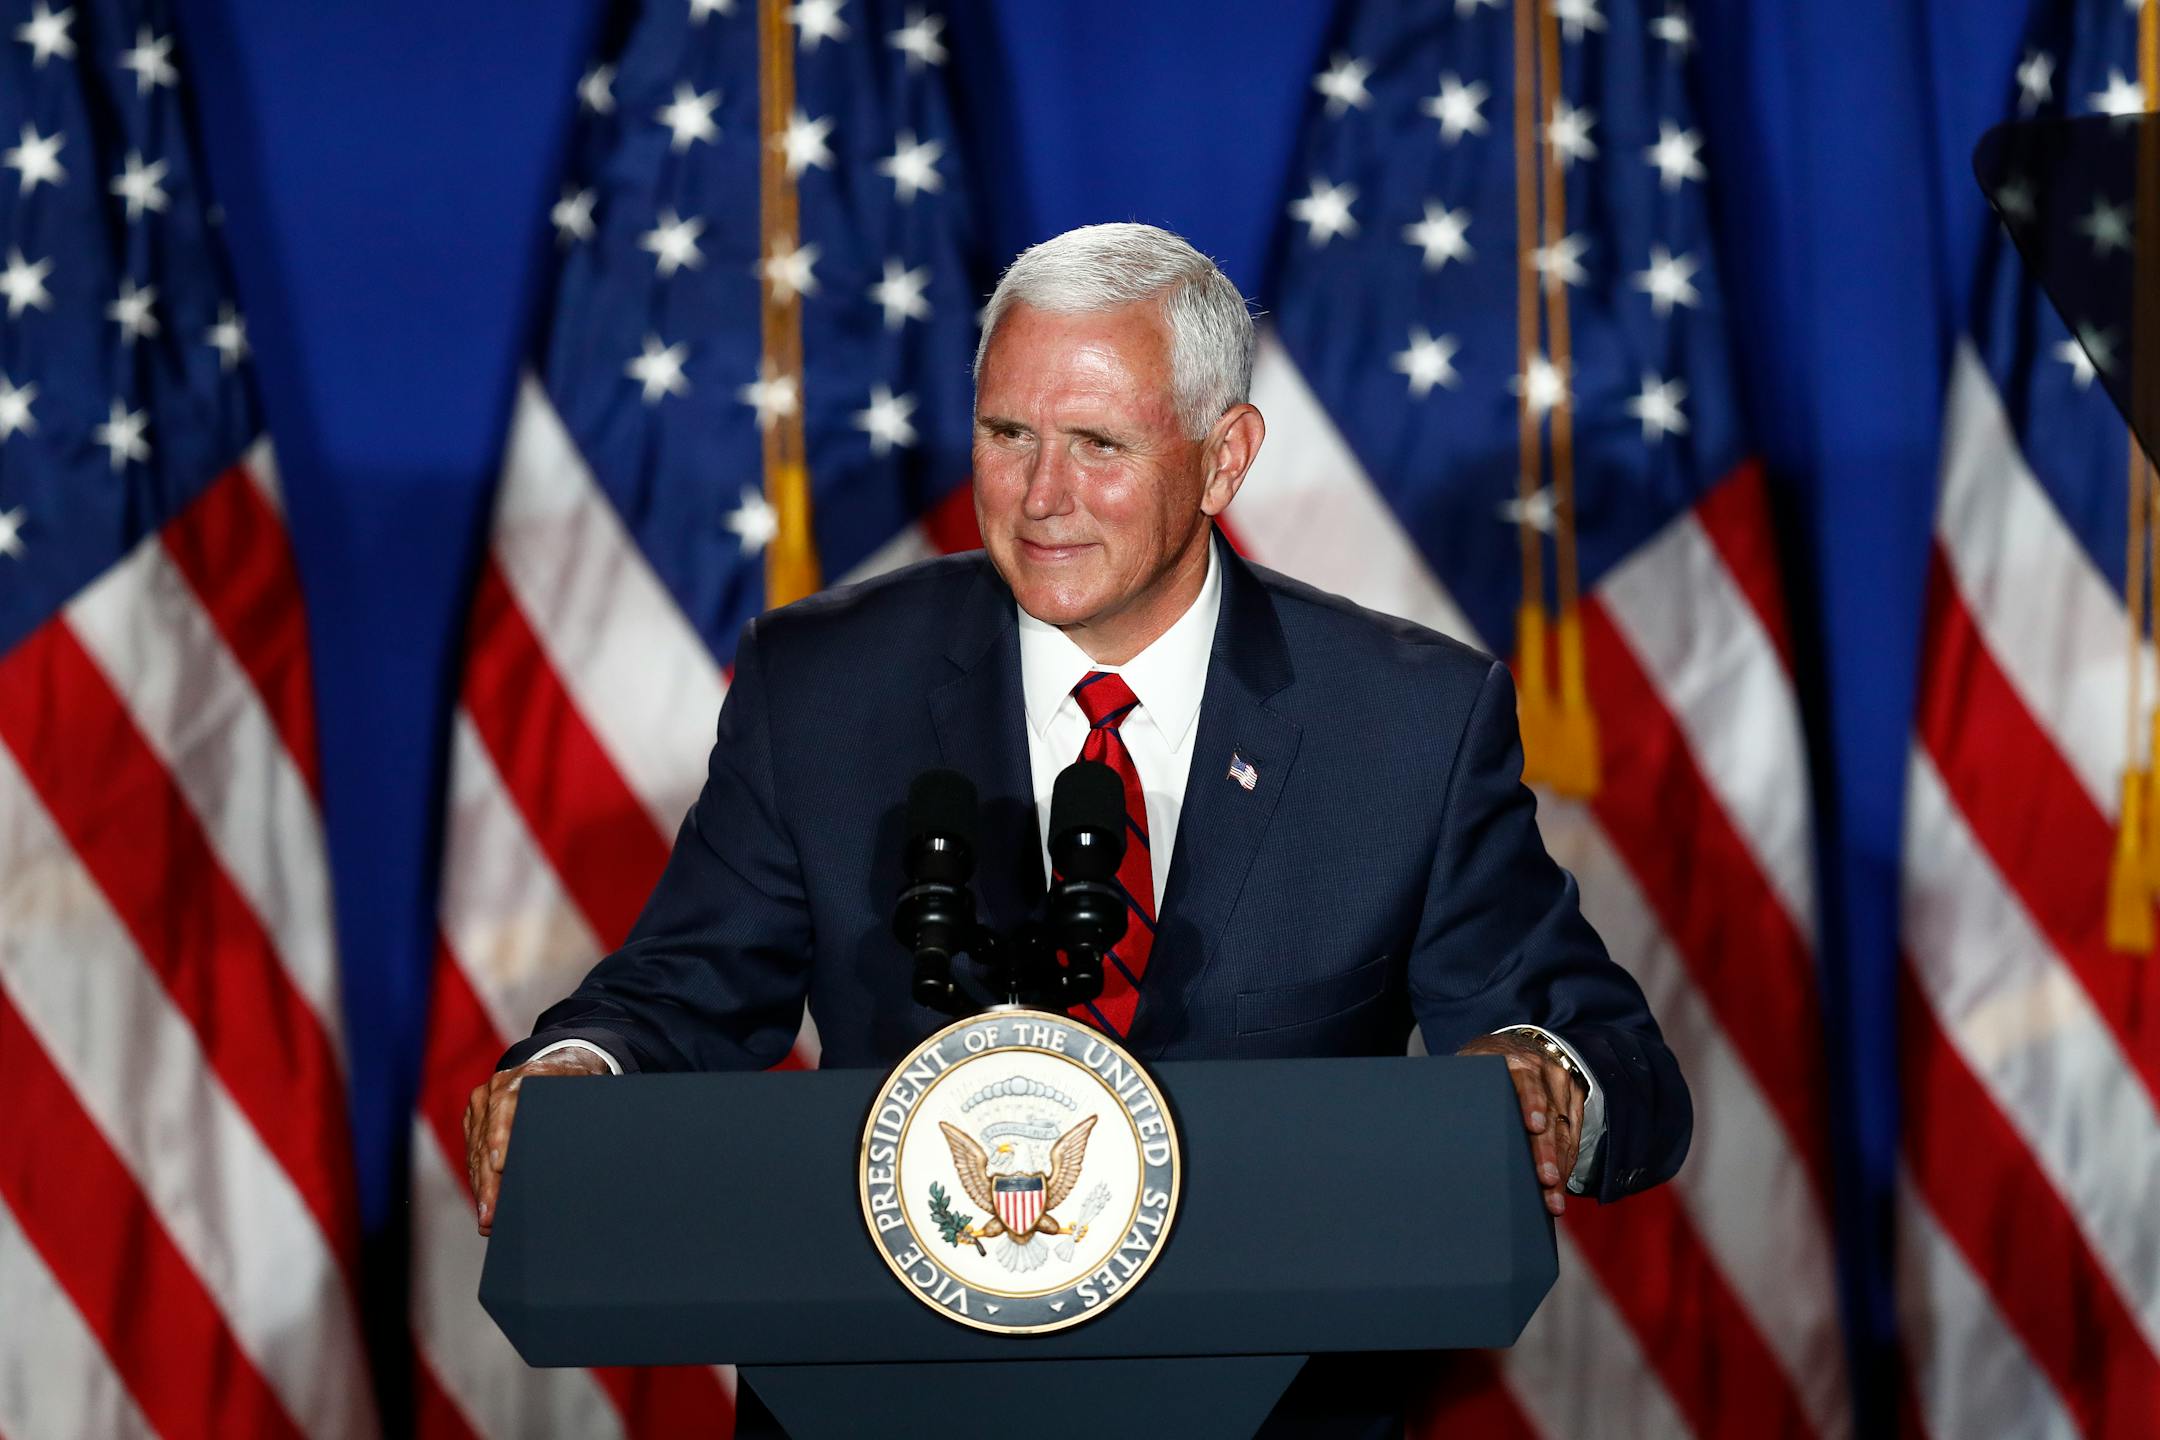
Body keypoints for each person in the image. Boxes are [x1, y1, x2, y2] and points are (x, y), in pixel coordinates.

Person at [467, 220, 1689, 1289]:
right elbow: (682, 996)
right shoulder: (824, 687)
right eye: (1009, 433)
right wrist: (581, 1068)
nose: (1042, 495)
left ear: (1225, 458)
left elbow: (1607, 1053)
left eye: (1100, 445)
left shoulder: (1405, 718)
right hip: (886, 1378)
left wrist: (1543, 1081)